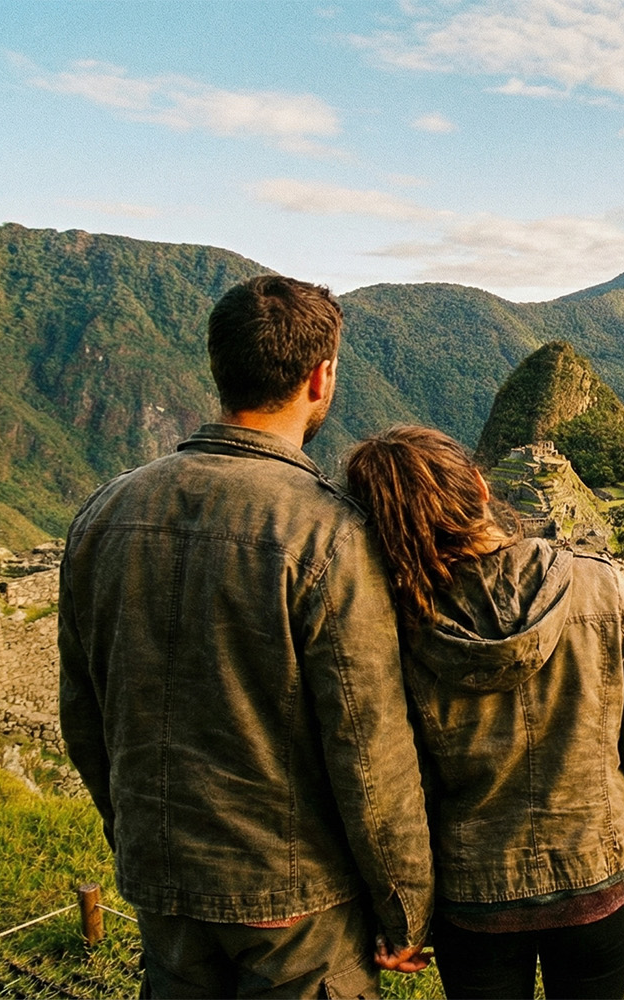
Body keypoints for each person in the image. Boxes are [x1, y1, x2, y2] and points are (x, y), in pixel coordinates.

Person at [58, 276, 434, 999]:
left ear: (219, 368)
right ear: (321, 377)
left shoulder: (102, 513)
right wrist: (405, 905)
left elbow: (84, 715)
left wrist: (134, 834)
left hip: (162, 877)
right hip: (293, 900)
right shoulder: (328, 534)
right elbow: (368, 750)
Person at [344, 426, 624, 1000]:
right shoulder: (600, 588)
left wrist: (404, 913)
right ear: (480, 486)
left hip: (476, 895)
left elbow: (391, 785)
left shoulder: (397, 630)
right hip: (597, 876)